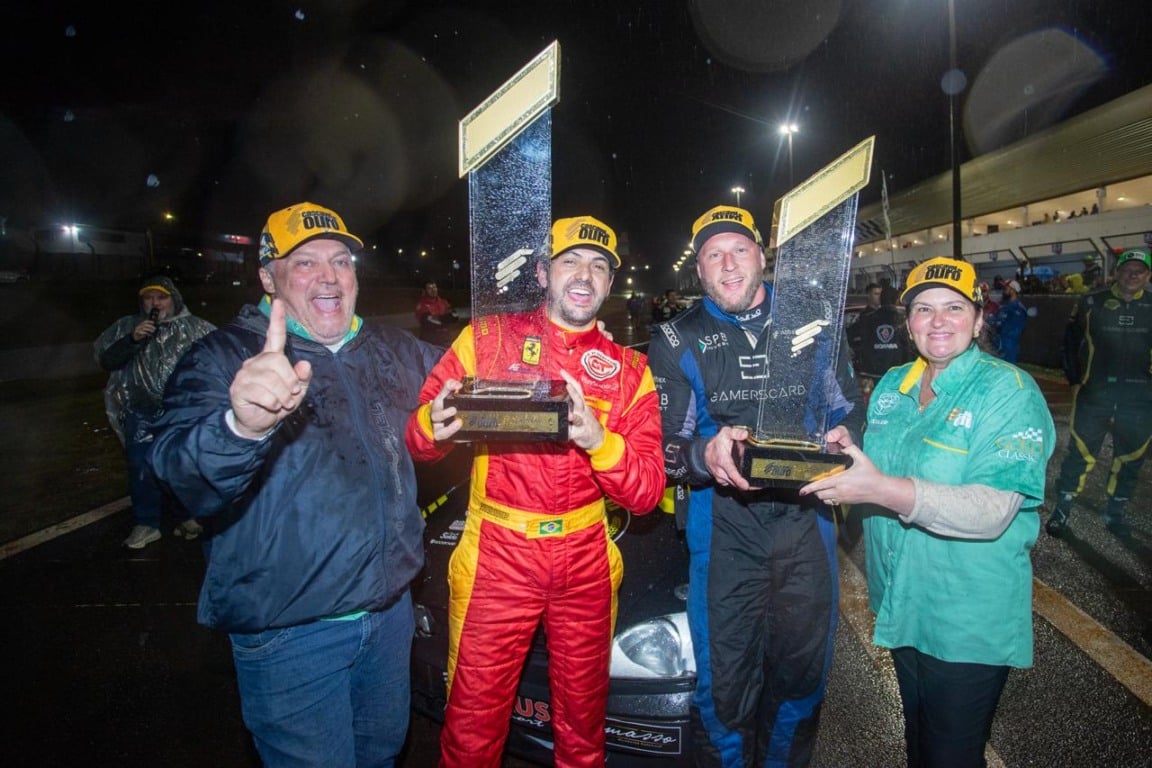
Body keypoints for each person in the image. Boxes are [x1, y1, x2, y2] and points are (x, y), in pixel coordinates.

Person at [148, 202, 444, 767]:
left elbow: (483, 374)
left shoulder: (392, 349)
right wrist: (240, 428)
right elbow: (179, 474)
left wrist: (562, 334)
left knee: (381, 755)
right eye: (304, 263)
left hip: (388, 616)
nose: (329, 276)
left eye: (340, 261)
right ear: (268, 277)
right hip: (290, 633)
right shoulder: (223, 358)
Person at [404, 215, 665, 768]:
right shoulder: (485, 339)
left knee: (583, 731)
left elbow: (646, 495)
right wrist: (431, 424)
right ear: (544, 273)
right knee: (471, 728)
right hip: (498, 554)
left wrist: (600, 441)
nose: (584, 275)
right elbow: (417, 442)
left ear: (610, 285)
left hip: (586, 559)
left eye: (599, 266)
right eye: (571, 260)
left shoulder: (629, 369)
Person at [801, 256, 1055, 768]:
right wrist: (851, 448)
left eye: (954, 309)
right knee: (919, 748)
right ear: (908, 321)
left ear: (979, 320)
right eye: (923, 309)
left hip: (965, 614)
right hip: (901, 598)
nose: (938, 321)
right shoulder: (894, 385)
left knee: (950, 756)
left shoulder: (1007, 390)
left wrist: (882, 488)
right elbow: (879, 465)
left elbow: (992, 510)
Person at [646, 204, 864, 767]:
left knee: (802, 678)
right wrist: (703, 452)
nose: (729, 264)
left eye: (739, 250)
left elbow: (851, 409)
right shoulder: (676, 336)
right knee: (725, 689)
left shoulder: (815, 319)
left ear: (761, 257)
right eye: (714, 255)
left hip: (806, 524)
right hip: (724, 531)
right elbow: (662, 448)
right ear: (699, 270)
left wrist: (845, 434)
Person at [94, 275, 215, 549]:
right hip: (141, 412)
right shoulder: (130, 326)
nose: (155, 303)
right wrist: (132, 340)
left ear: (174, 299)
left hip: (182, 412)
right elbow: (106, 360)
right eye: (149, 297)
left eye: (161, 297)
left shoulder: (194, 328)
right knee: (141, 468)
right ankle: (146, 523)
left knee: (183, 466)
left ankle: (188, 515)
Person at [1047, 246, 1152, 536]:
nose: (1132, 275)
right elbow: (1069, 343)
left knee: (1131, 456)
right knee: (1080, 452)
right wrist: (1073, 380)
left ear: (1148, 275)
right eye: (1127, 270)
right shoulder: (1091, 302)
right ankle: (1063, 508)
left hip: (1141, 398)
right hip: (1095, 392)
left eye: (1139, 271)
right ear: (1116, 272)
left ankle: (1115, 512)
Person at [847, 284, 912, 398]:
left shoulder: (868, 318)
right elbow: (909, 347)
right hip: (899, 374)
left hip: (874, 374)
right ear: (896, 299)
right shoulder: (903, 319)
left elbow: (855, 340)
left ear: (881, 299)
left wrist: (863, 369)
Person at [989, 279, 1030, 363]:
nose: (1003, 291)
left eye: (1006, 288)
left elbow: (1015, 331)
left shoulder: (1018, 309)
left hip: (1008, 345)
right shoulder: (1004, 305)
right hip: (998, 343)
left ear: (1012, 290)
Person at [415, 278, 459, 346]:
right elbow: (428, 323)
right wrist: (445, 319)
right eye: (429, 288)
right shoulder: (422, 304)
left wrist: (438, 318)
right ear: (424, 291)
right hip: (429, 342)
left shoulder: (443, 302)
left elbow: (455, 317)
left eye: (434, 287)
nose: (433, 290)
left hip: (445, 339)